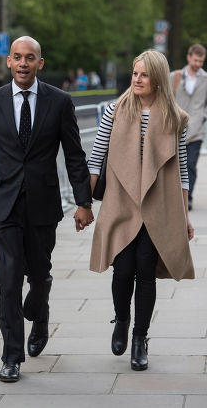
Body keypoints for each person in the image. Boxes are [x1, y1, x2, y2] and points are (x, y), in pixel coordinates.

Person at [0, 36, 94, 382]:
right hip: (1, 205)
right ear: (8, 62)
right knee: (9, 279)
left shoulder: (60, 102)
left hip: (42, 205)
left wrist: (84, 202)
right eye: (18, 57)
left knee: (38, 274)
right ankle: (11, 357)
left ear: (41, 63)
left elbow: (74, 154)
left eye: (30, 58)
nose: (23, 63)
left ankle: (40, 310)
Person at [88, 49, 195, 371]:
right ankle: (122, 319)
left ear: (158, 79)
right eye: (135, 73)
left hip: (158, 205)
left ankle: (140, 338)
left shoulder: (176, 119)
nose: (137, 79)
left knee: (145, 271)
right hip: (121, 201)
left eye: (144, 74)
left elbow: (182, 169)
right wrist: (84, 203)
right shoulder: (114, 111)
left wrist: (185, 217)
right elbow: (96, 157)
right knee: (122, 270)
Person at [171, 44, 207, 211]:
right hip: (176, 130)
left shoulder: (205, 79)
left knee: (190, 165)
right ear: (188, 57)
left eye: (201, 61)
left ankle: (189, 198)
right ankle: (175, 197)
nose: (198, 64)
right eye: (196, 60)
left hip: (196, 131)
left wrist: (203, 117)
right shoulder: (175, 77)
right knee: (175, 166)